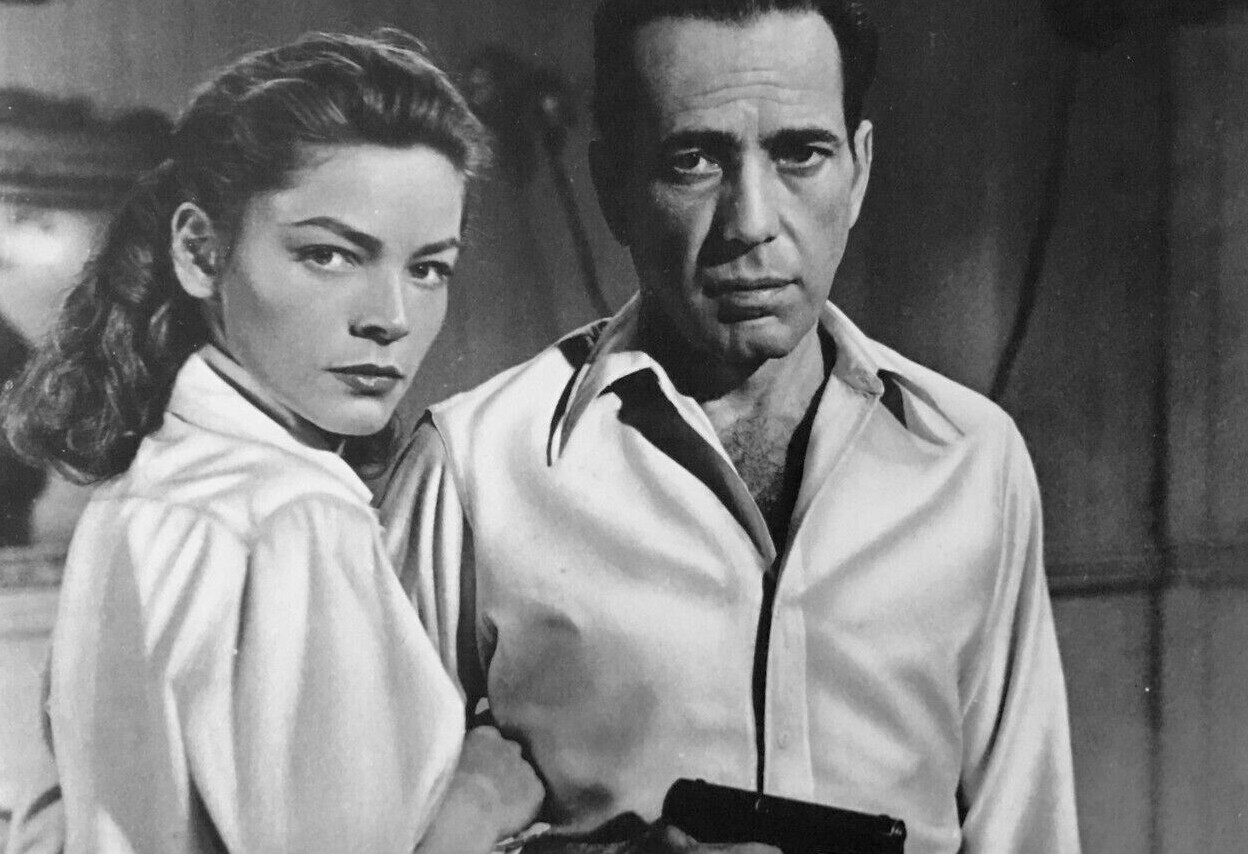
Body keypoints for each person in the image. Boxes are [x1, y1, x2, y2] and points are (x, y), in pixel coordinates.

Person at [380, 1, 1081, 852]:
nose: (751, 222)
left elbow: (1028, 836)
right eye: (694, 160)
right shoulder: (475, 468)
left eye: (800, 153)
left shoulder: (974, 460)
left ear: (858, 171)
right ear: (612, 189)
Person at [1, 31, 543, 854]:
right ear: (199, 252)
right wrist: (478, 799)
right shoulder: (295, 518)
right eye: (329, 254)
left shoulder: (138, 496)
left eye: (428, 268)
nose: (392, 317)